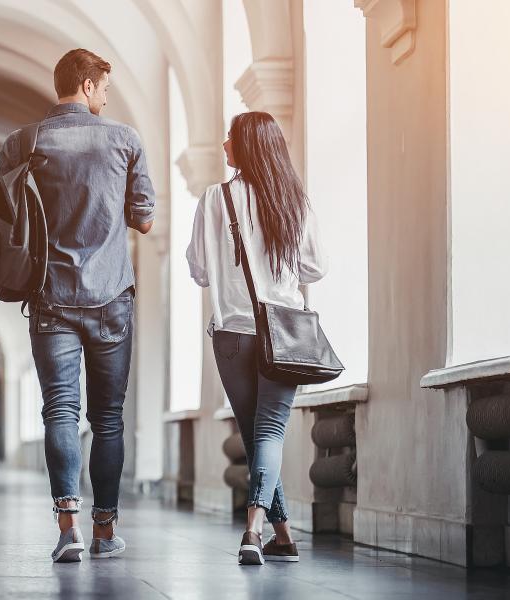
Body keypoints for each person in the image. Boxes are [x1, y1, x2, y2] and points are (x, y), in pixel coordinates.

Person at [0, 49, 155, 563]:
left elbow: (5, 217)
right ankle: (106, 530)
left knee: (59, 411)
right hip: (111, 298)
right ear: (87, 86)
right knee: (107, 419)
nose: (106, 97)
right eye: (104, 88)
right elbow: (145, 219)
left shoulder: (22, 143)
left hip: (50, 298)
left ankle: (68, 529)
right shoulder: (124, 139)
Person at [186, 111, 327, 566]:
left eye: (231, 137)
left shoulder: (214, 199)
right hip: (283, 333)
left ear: (248, 147)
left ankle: (264, 532)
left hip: (231, 335)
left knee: (255, 434)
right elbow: (315, 268)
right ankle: (266, 532)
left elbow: (200, 271)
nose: (224, 144)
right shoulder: (294, 201)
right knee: (265, 434)